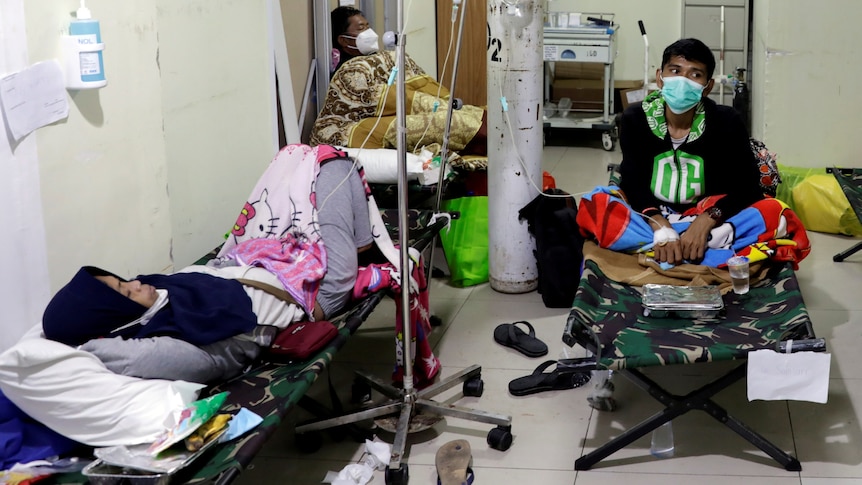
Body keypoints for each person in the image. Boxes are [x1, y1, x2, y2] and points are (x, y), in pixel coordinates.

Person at [40, 158, 374, 385]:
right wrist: (82, 346)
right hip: (316, 289)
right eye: (127, 293)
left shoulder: (163, 293)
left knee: (296, 158)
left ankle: (348, 237)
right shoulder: (190, 341)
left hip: (265, 255)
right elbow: (126, 357)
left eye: (124, 281)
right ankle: (359, 247)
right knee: (334, 163)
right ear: (118, 323)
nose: (138, 283)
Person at [618, 38, 764, 265]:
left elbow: (749, 187)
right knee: (597, 202)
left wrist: (707, 220)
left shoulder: (726, 122)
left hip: (712, 213)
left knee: (775, 212)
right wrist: (659, 224)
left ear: (708, 86)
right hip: (653, 215)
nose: (682, 81)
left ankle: (675, 246)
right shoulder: (635, 119)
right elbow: (632, 182)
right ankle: (709, 250)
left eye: (695, 75)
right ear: (660, 77)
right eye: (675, 71)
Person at [311, 6, 487, 158]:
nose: (369, 33)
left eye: (368, 26)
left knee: (471, 113)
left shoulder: (382, 57)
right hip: (365, 122)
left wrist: (440, 102)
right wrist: (433, 105)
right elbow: (371, 98)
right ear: (343, 39)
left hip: (402, 110)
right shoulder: (350, 70)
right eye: (361, 28)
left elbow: (416, 82)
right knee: (453, 123)